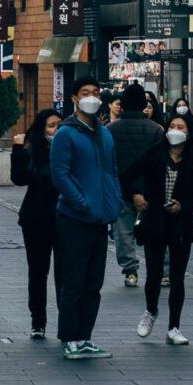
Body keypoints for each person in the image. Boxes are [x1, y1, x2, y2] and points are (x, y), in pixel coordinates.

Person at [47, 77, 123, 359]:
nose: (92, 97)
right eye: (85, 93)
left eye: (95, 93)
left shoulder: (104, 134)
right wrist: (81, 203)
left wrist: (113, 202)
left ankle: (85, 336)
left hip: (100, 218)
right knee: (74, 281)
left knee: (94, 283)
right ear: (75, 99)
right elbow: (61, 175)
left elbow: (113, 172)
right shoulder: (66, 134)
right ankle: (70, 338)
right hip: (74, 218)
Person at [123, 109, 193, 344]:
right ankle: (150, 311)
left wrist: (184, 206)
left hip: (180, 226)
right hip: (155, 222)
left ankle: (174, 327)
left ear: (189, 133)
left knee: (178, 277)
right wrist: (136, 195)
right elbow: (128, 175)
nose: (176, 131)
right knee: (153, 274)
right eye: (173, 126)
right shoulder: (155, 154)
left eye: (181, 128)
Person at [8, 107, 65, 341]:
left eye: (60, 125)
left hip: (64, 220)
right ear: (42, 130)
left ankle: (66, 322)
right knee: (38, 272)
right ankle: (37, 322)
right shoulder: (33, 151)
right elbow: (19, 178)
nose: (57, 130)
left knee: (64, 274)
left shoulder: (68, 149)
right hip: (36, 219)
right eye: (52, 126)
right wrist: (18, 149)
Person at [107, 83, 161, 288]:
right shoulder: (155, 129)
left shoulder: (111, 129)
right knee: (156, 230)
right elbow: (159, 164)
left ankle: (130, 271)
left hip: (122, 189)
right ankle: (162, 271)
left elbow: (111, 164)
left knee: (123, 231)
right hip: (150, 189)